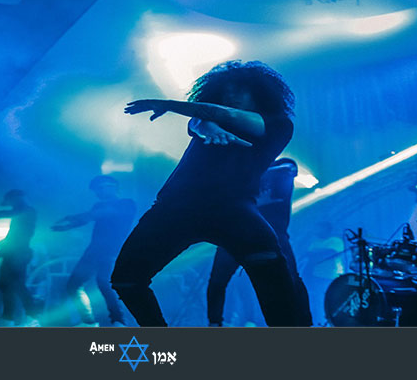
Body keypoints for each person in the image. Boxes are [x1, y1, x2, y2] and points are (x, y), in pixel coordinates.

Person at [111, 60, 311, 327]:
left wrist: (170, 105)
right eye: (226, 90)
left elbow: (225, 115)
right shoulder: (204, 120)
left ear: (260, 94)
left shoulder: (278, 125)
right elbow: (199, 122)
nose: (231, 96)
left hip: (233, 210)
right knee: (125, 279)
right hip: (176, 207)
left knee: (280, 289)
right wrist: (209, 127)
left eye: (239, 90)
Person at [205, 157, 310, 326]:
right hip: (234, 235)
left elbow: (290, 169)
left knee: (291, 278)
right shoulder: (238, 172)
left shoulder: (281, 168)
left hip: (272, 235)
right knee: (217, 280)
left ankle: (305, 323)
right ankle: (214, 322)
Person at [51, 175, 136, 326]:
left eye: (103, 187)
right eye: (98, 189)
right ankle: (89, 322)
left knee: (104, 282)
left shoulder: (126, 204)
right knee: (74, 285)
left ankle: (118, 320)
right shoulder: (98, 206)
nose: (100, 192)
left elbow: (100, 214)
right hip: (94, 250)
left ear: (114, 187)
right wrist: (67, 226)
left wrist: (70, 218)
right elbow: (88, 218)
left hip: (113, 250)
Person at [0, 190, 41, 327]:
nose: (9, 204)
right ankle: (7, 320)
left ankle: (32, 318)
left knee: (17, 285)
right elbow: (8, 239)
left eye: (9, 201)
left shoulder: (28, 211)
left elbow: (13, 213)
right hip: (11, 254)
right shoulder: (18, 216)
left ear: (16, 198)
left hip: (19, 255)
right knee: (5, 286)